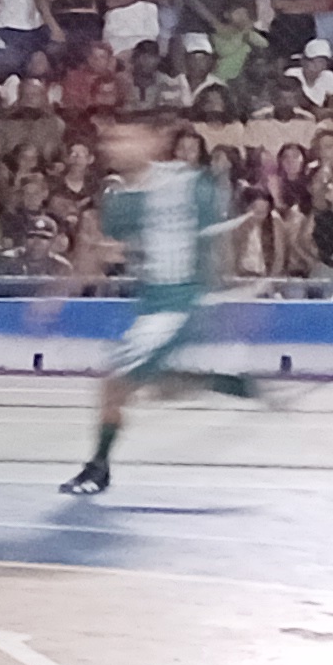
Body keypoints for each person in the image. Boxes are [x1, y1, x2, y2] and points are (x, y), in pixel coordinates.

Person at [61, 110, 259, 497]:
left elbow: (214, 240)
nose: (114, 147)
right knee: (156, 387)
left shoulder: (189, 186)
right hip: (151, 305)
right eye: (110, 141)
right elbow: (109, 249)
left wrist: (225, 297)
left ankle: (97, 467)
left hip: (177, 304)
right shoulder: (119, 198)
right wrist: (64, 287)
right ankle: (224, 383)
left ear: (153, 142)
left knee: (115, 382)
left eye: (125, 138)